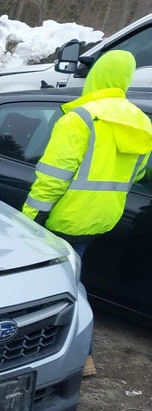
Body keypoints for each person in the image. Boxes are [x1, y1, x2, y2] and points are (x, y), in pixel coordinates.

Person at [21, 50, 152, 378]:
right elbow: (137, 173)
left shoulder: (80, 118)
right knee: (71, 278)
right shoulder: (141, 121)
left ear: (97, 76)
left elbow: (52, 177)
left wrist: (29, 219)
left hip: (65, 219)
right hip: (105, 218)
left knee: (65, 287)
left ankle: (81, 355)